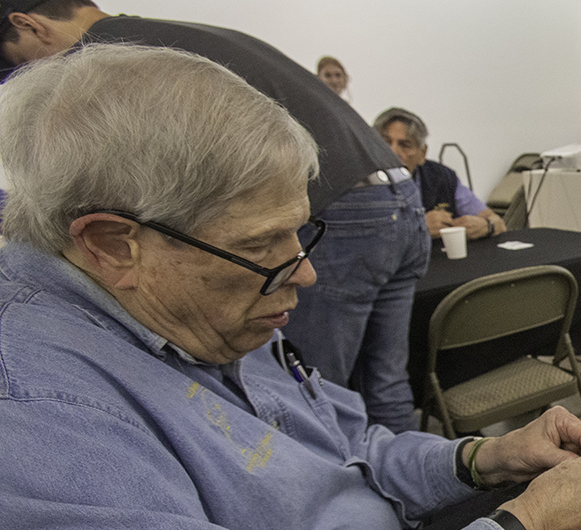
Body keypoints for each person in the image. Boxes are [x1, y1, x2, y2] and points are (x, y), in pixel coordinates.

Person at [0, 44, 581, 530]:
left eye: (298, 233)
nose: (304, 274)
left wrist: (483, 459)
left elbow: (353, 453)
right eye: (259, 245)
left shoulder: (202, 303)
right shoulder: (36, 419)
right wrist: (520, 528)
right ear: (114, 246)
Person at [0, 0, 431, 433]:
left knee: (307, 402)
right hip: (397, 196)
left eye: (22, 62)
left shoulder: (115, 62)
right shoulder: (185, 35)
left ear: (30, 26)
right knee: (385, 381)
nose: (35, 76)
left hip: (341, 204)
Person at [374, 107, 506, 240]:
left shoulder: (441, 176)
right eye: (385, 143)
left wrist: (487, 225)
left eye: (405, 145)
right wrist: (417, 227)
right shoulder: (361, 183)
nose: (393, 152)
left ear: (422, 153)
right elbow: (361, 241)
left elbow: (498, 222)